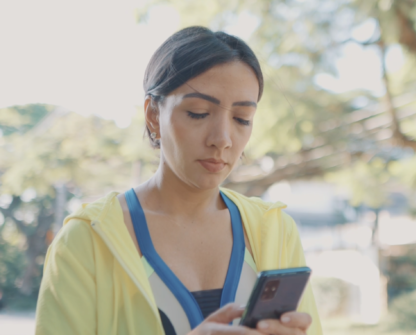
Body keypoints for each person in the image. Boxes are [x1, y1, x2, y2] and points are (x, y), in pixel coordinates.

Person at [35, 27, 322, 335]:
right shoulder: (86, 241)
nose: (222, 139)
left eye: (241, 119)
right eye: (198, 112)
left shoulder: (276, 230)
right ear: (153, 115)